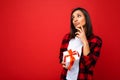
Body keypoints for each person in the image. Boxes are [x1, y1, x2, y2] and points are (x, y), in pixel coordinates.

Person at [59, 7, 102, 80]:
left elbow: (89, 66)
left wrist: (85, 41)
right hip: (66, 77)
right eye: (73, 18)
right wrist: (63, 62)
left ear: (86, 18)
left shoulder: (96, 40)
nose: (75, 20)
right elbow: (61, 56)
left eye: (79, 16)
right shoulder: (67, 38)